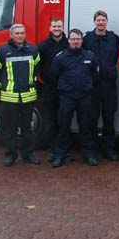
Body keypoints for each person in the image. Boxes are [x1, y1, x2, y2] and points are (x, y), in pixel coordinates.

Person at [48, 29, 98, 167]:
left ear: (82, 40)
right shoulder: (60, 57)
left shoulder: (90, 56)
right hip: (67, 97)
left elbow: (95, 76)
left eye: (78, 39)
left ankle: (89, 155)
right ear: (68, 40)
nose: (76, 41)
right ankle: (60, 155)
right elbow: (54, 76)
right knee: (63, 128)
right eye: (73, 39)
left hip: (85, 97)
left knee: (86, 127)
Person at [0, 24, 41, 167]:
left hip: (28, 96)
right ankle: (10, 155)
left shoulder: (33, 50)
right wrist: (5, 86)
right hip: (10, 96)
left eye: (22, 33)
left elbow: (36, 69)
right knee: (10, 128)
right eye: (17, 33)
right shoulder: (2, 51)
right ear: (11, 35)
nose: (20, 35)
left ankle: (28, 154)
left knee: (27, 128)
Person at [83, 10, 119, 161]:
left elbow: (115, 57)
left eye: (103, 20)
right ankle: (92, 149)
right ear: (94, 22)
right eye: (98, 20)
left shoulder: (114, 38)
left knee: (109, 117)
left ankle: (108, 148)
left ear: (107, 22)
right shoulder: (87, 39)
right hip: (92, 85)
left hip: (109, 84)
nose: (101, 22)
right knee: (92, 118)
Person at [37, 18, 67, 159]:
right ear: (50, 28)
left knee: (64, 121)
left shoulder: (69, 44)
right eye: (54, 26)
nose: (56, 28)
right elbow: (38, 66)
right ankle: (52, 150)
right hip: (49, 88)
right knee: (50, 120)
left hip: (66, 89)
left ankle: (63, 151)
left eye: (59, 26)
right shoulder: (43, 46)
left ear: (63, 28)